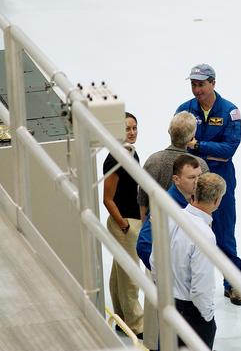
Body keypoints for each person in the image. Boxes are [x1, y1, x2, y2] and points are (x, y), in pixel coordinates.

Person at [176, 63, 241, 306]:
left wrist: (198, 146)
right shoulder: (184, 110)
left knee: (225, 234)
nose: (197, 90)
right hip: (189, 184)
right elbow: (178, 143)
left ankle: (233, 283)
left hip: (220, 183)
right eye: (193, 84)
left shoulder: (230, 111)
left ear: (213, 83)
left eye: (201, 84)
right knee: (185, 234)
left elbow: (229, 150)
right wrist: (204, 150)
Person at [137, 153, 206, 351]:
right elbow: (143, 244)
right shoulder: (166, 205)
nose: (198, 181)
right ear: (176, 179)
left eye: (199, 176)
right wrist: (167, 273)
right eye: (192, 178)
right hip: (173, 286)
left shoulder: (191, 200)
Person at [150, 172, 226, 350]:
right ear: (217, 201)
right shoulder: (205, 235)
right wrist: (207, 317)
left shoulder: (170, 218)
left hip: (168, 303)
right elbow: (201, 287)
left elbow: (154, 261)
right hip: (192, 314)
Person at [102, 112, 143, 338]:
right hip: (125, 223)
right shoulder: (115, 158)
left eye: (134, 127)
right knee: (130, 278)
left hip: (128, 221)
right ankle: (137, 324)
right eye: (127, 129)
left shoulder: (130, 153)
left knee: (120, 273)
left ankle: (122, 318)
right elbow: (107, 198)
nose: (132, 132)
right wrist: (124, 225)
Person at [137, 111, 207, 221]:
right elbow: (206, 205)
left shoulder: (153, 160)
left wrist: (144, 229)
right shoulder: (200, 166)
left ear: (169, 131)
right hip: (190, 229)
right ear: (192, 137)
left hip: (157, 227)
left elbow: (143, 200)